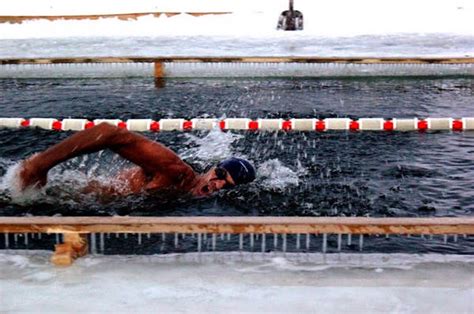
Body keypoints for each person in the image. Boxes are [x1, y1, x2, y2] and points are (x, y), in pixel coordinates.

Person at [19, 122, 256, 197]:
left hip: (64, 199)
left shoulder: (187, 194)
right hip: (49, 196)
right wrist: (41, 165)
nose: (218, 184)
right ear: (213, 168)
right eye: (221, 175)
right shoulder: (177, 172)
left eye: (227, 186)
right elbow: (111, 132)